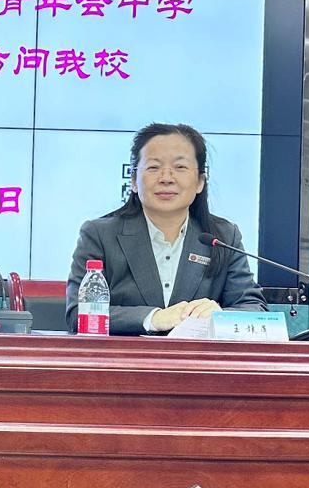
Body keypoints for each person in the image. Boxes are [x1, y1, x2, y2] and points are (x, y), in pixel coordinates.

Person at [64, 122, 265, 335]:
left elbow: (254, 309)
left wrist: (219, 316)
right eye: (153, 167)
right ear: (133, 181)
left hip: (197, 357)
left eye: (180, 167)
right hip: (124, 356)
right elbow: (79, 314)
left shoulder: (223, 236)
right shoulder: (99, 235)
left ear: (200, 182)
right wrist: (153, 318)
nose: (166, 178)